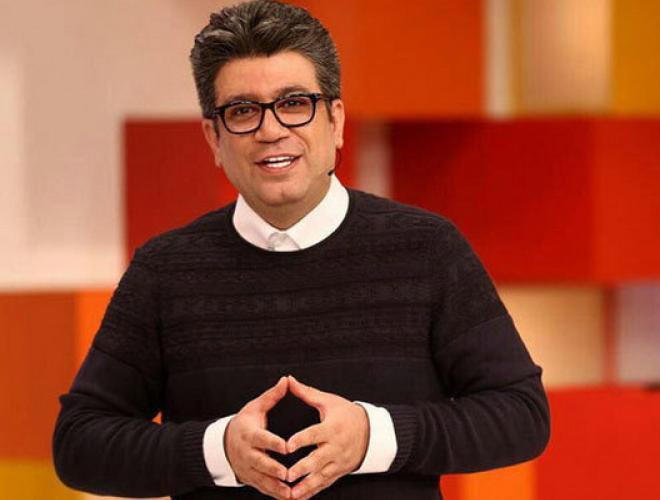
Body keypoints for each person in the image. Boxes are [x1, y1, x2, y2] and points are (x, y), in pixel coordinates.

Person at [52, 1, 550, 499]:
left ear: (335, 121)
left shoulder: (428, 249)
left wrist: (374, 438)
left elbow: (521, 414)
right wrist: (217, 451)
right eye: (242, 111)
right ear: (214, 139)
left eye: (294, 103)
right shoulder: (164, 270)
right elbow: (79, 443)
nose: (270, 130)